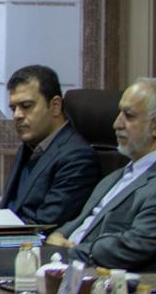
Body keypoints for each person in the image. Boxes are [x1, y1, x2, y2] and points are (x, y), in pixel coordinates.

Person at [47, 78, 156, 270]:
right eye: (119, 113)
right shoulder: (112, 178)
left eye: (129, 116)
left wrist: (72, 252)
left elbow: (138, 243)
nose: (116, 124)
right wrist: (58, 236)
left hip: (101, 276)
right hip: (60, 264)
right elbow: (79, 222)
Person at [0, 64, 99, 227]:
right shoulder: (29, 148)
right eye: (13, 108)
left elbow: (46, 224)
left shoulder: (77, 157)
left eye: (26, 106)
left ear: (55, 106)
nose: (17, 115)